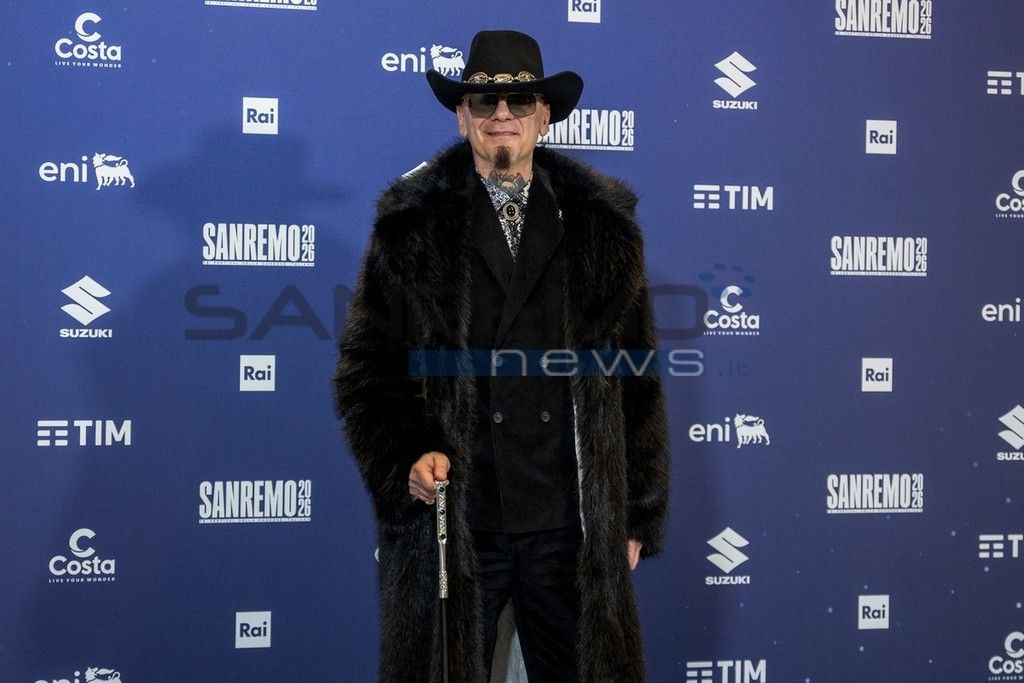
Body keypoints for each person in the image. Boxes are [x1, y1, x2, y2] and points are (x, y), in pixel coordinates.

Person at [333, 29, 669, 683]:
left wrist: (635, 511)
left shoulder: (602, 225)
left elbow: (635, 376)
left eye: (519, 102)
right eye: (485, 102)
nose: (502, 115)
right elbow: (368, 371)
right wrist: (408, 454)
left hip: (567, 520)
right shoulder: (411, 224)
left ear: (545, 115)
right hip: (458, 517)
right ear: (463, 117)